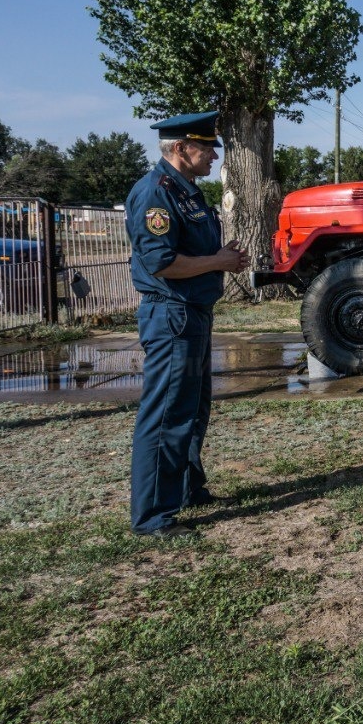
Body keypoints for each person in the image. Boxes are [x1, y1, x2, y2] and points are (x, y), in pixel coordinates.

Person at [125, 111, 248, 538]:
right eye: (207, 146)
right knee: (165, 414)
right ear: (181, 148)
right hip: (171, 315)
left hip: (194, 313)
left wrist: (222, 256)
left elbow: (192, 250)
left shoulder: (187, 192)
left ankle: (187, 490)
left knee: (193, 408)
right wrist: (218, 261)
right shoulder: (155, 193)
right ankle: (153, 517)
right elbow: (162, 264)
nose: (214, 154)